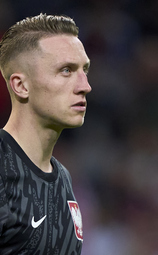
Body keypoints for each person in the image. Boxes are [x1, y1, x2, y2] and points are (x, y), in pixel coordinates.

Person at [0, 13, 91, 254]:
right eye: (66, 70)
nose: (85, 86)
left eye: (85, 70)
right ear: (21, 85)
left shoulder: (62, 179)